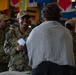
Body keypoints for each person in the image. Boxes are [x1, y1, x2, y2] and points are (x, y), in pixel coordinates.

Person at [25, 3, 75, 75]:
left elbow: (28, 47)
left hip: (40, 68)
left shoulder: (36, 31)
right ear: (59, 15)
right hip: (61, 69)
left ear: (44, 15)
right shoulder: (65, 32)